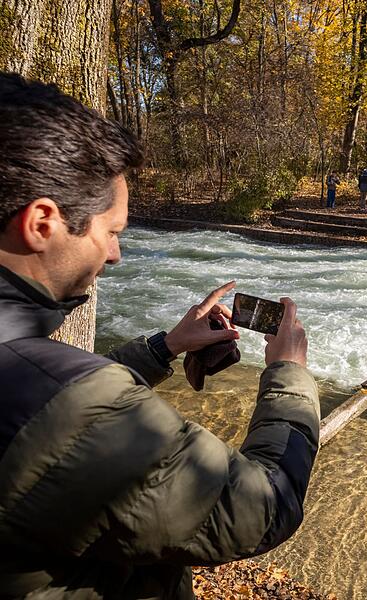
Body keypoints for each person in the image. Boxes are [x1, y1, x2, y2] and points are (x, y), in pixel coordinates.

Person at [0, 73, 319, 597]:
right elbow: (263, 506)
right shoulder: (73, 411)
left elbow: (44, 413)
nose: (116, 254)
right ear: (42, 223)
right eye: (113, 233)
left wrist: (164, 348)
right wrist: (289, 376)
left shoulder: (36, 383)